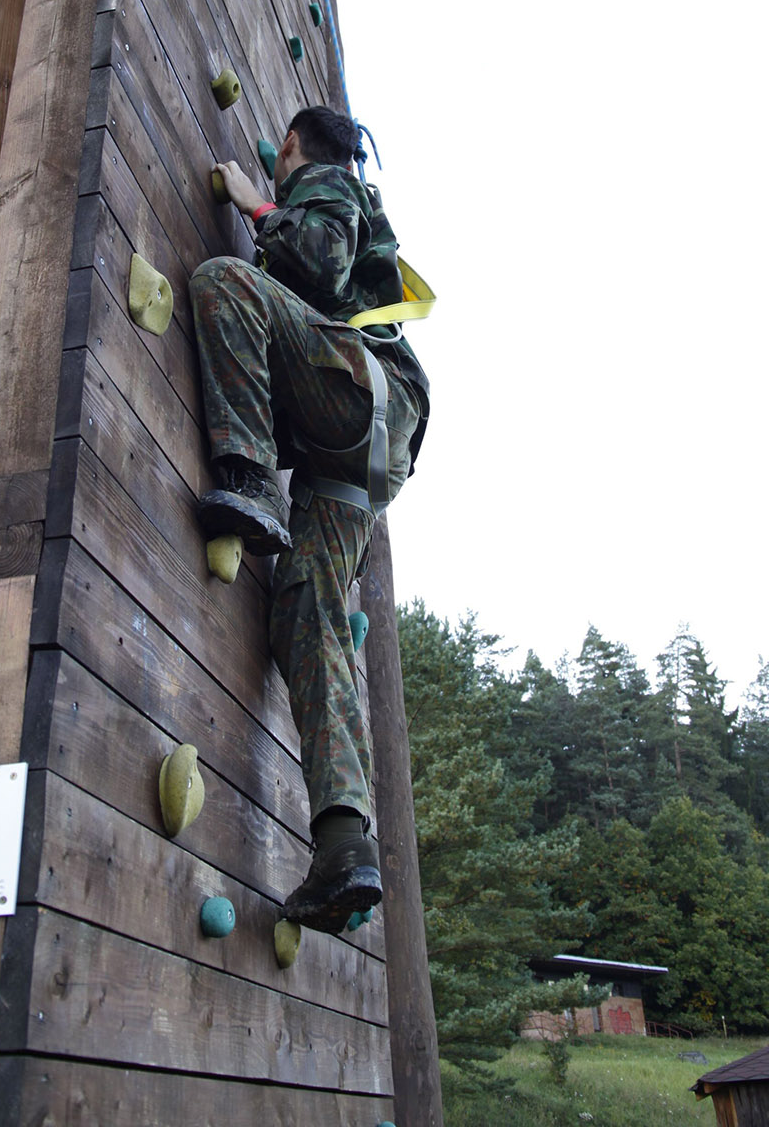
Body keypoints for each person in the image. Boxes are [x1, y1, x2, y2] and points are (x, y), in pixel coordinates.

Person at [189, 106, 429, 933]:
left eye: (283, 159)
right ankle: (342, 845)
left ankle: (250, 481)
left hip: (359, 393)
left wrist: (260, 205)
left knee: (224, 282)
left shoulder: (328, 182)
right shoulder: (359, 209)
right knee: (310, 616)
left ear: (292, 148)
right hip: (365, 452)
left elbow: (319, 262)